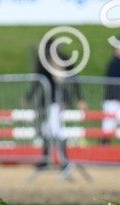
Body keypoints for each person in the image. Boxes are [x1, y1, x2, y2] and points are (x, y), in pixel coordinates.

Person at [32, 38, 87, 168]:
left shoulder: (49, 62)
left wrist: (79, 98)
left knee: (54, 129)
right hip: (53, 101)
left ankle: (62, 160)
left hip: (56, 102)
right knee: (48, 129)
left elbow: (37, 83)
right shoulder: (50, 62)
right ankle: (52, 159)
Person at [103, 45, 120, 140]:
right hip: (113, 100)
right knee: (109, 127)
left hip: (117, 99)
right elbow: (113, 81)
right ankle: (102, 150)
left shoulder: (118, 62)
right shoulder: (115, 62)